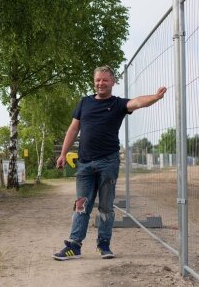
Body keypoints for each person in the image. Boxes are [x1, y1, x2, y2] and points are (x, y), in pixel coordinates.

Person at [52, 66, 167, 260]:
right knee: (81, 204)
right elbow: (73, 129)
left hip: (108, 162)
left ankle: (104, 244)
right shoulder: (84, 102)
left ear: (113, 82)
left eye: (105, 80)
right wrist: (63, 153)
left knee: (106, 206)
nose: (101, 83)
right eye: (98, 80)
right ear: (94, 81)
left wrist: (155, 98)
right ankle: (74, 245)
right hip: (85, 163)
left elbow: (137, 102)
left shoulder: (118, 104)